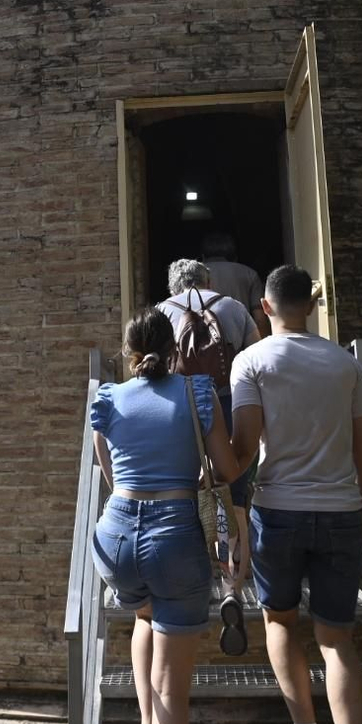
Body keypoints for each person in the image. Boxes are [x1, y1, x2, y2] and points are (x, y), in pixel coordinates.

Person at [229, 265, 362, 724]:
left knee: (280, 621)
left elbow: (244, 448)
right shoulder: (347, 366)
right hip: (340, 509)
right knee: (337, 638)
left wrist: (221, 496)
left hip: (277, 509)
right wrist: (360, 506)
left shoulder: (250, 361)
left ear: (264, 307)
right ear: (312, 306)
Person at [91, 309, 244, 724]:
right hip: (174, 538)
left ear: (129, 352)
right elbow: (227, 470)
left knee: (144, 615)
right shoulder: (198, 393)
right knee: (173, 692)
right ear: (174, 349)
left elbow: (111, 476)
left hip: (115, 538)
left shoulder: (108, 397)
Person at [157, 258, 259, 649]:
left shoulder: (162, 311)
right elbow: (254, 358)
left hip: (179, 408)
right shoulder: (232, 307)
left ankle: (193, 578)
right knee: (234, 496)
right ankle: (232, 585)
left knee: (187, 493)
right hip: (228, 403)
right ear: (208, 280)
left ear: (173, 286)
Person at [202, 232, 270, 338]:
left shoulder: (195, 274)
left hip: (205, 341)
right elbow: (259, 318)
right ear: (235, 257)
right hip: (242, 340)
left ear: (203, 256)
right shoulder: (249, 274)